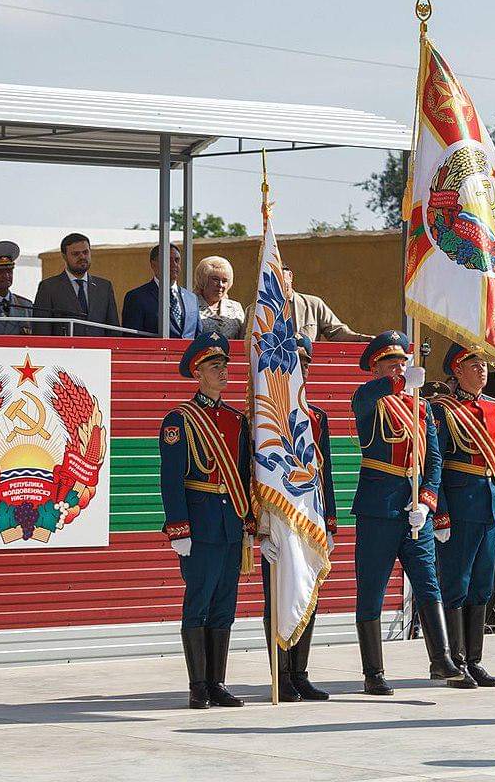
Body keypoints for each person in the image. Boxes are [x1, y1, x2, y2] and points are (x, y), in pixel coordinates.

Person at [350, 330, 461, 693]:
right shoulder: (372, 400)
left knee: (428, 581)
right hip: (379, 507)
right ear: (376, 367)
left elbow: (435, 459)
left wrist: (428, 499)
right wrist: (396, 382)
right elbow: (362, 400)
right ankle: (373, 673)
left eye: (402, 361)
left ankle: (441, 658)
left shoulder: (422, 406)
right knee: (372, 589)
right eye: (390, 362)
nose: (399, 366)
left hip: (414, 508)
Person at [159, 333, 252, 709]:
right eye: (215, 367)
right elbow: (171, 477)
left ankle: (217, 682)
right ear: (197, 373)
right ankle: (198, 684)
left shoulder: (236, 419)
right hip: (199, 526)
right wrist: (178, 527)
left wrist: (248, 523)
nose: (223, 371)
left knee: (224, 604)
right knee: (198, 601)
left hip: (230, 523)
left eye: (225, 365)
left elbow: (245, 475)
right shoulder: (179, 420)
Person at [256, 335, 336, 702]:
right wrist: (260, 523)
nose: (301, 368)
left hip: (309, 517)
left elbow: (326, 474)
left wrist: (329, 523)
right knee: (279, 596)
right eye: (295, 361)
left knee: (307, 591)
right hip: (278, 520)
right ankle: (282, 675)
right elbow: (253, 471)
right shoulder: (262, 414)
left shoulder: (316, 416)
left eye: (306, 363)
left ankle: (300, 672)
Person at [429, 343, 495, 690]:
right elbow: (437, 465)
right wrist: (441, 511)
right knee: (456, 584)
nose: (482, 370)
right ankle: (455, 661)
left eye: (483, 365)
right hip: (460, 507)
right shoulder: (445, 410)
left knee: (482, 585)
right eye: (474, 365)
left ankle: (475, 660)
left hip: (491, 504)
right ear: (456, 371)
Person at [33, 233, 120, 336]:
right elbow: (41, 330)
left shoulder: (104, 287)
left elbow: (113, 330)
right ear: (64, 256)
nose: (82, 257)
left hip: (98, 350)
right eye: (76, 254)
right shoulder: (49, 287)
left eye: (85, 252)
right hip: (65, 350)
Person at [122, 244, 200, 338]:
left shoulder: (191, 298)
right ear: (153, 264)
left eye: (177, 260)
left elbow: (197, 335)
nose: (174, 265)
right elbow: (132, 338)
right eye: (168, 260)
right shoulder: (137, 297)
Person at [282, 263, 372, 342]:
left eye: (281, 276)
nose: (279, 282)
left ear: (290, 276)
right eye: (274, 277)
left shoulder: (313, 304)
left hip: (306, 360)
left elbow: (336, 332)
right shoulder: (268, 308)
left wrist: (362, 338)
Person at [195, 256, 245, 339]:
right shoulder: (191, 305)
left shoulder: (235, 307)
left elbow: (243, 339)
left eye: (224, 281)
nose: (220, 285)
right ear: (203, 280)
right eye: (215, 279)